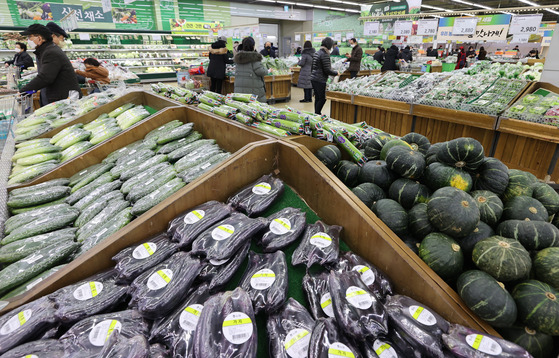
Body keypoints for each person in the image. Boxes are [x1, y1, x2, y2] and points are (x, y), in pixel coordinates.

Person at [18, 24, 81, 106]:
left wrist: (23, 91)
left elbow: (45, 78)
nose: (28, 40)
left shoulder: (50, 52)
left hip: (64, 99)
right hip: (58, 97)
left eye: (30, 37)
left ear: (39, 38)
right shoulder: (45, 50)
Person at [310, 37, 340, 115]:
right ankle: (317, 113)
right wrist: (336, 73)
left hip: (314, 78)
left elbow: (312, 67)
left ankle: (316, 114)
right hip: (320, 79)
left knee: (317, 97)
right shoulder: (325, 54)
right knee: (322, 98)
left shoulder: (317, 52)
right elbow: (327, 70)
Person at [234, 36, 268, 103]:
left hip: (240, 91)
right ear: (253, 46)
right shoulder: (254, 59)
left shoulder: (238, 59)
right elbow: (262, 72)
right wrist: (266, 69)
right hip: (253, 91)